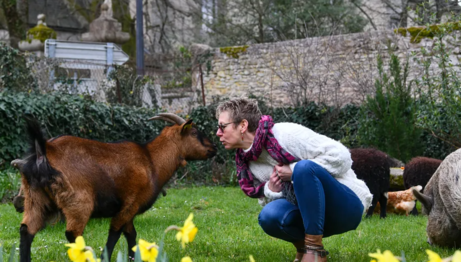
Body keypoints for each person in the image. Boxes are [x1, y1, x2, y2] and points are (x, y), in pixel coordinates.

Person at [215, 98, 372, 262]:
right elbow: (270, 203)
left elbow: (342, 156)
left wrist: (294, 170)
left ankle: (314, 250)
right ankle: (304, 248)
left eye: (222, 126)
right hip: (313, 218)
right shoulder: (248, 162)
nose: (218, 132)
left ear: (243, 126)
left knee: (304, 169)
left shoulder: (286, 134)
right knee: (268, 215)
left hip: (346, 207)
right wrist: (271, 190)